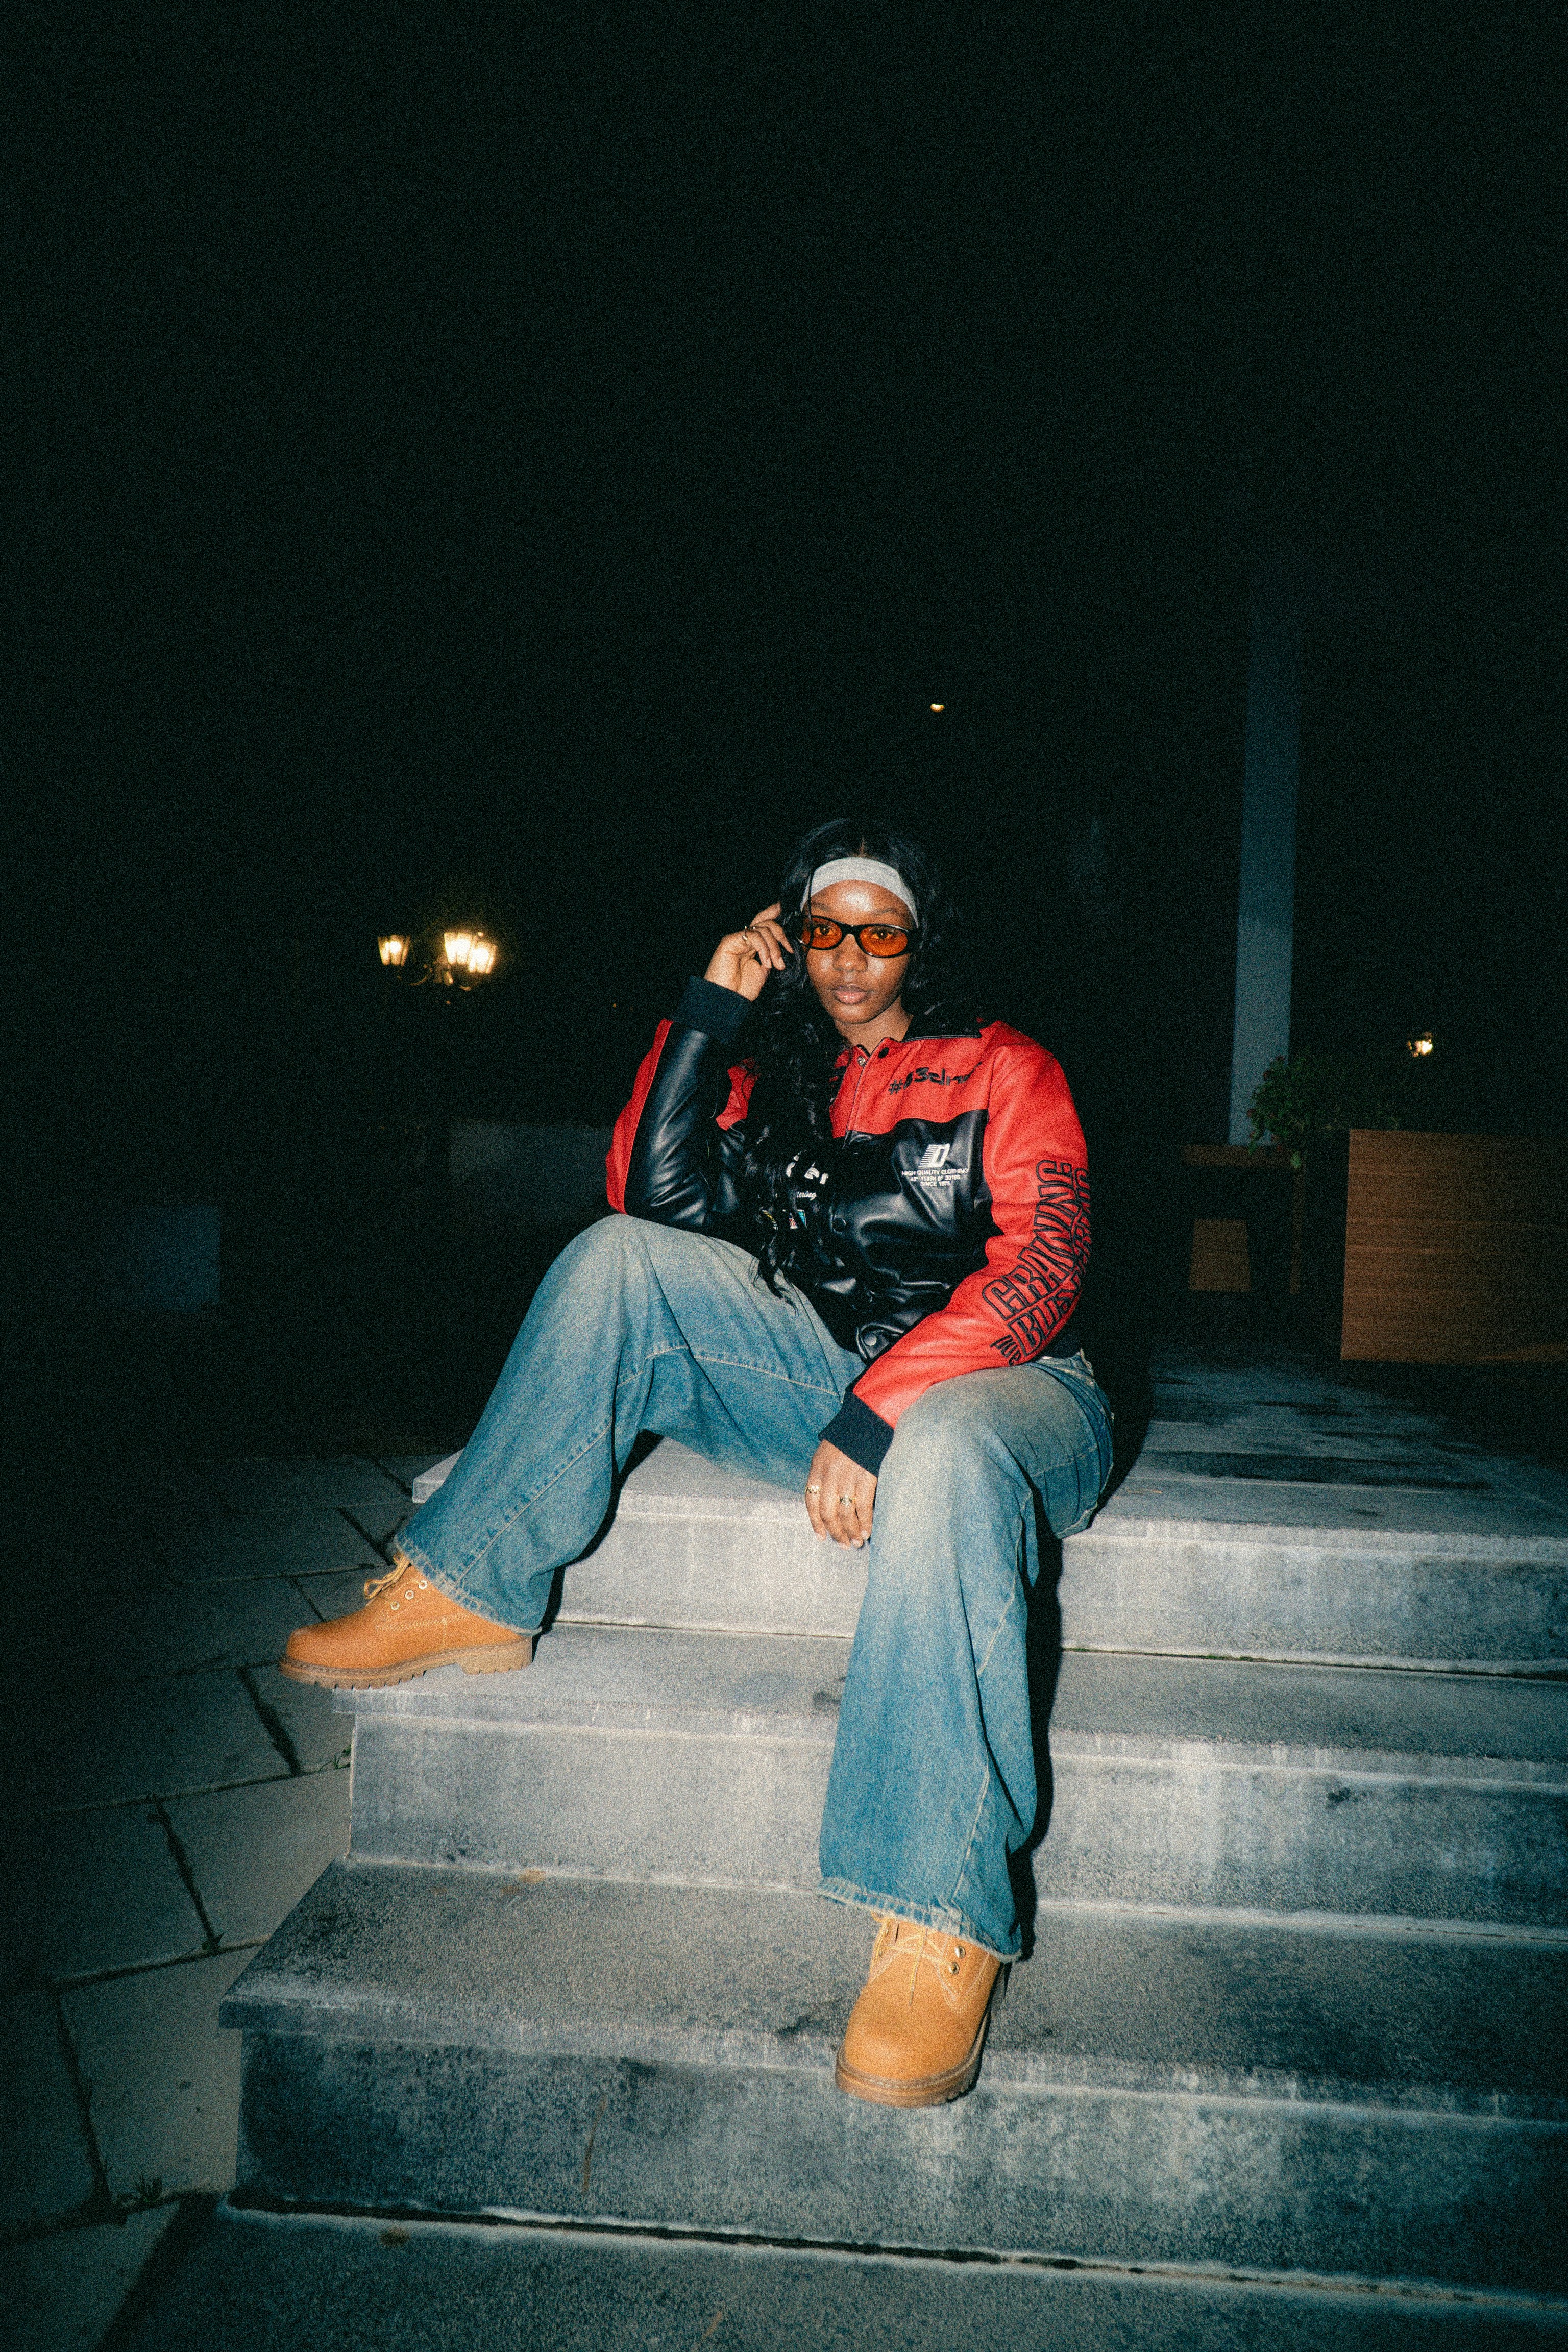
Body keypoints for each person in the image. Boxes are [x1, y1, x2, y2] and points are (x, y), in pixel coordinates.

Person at [280, 818, 1113, 2108]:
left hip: (1014, 1392)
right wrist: (710, 1017)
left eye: (877, 931)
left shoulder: (1006, 1068)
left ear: (917, 943)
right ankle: (469, 1588)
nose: (848, 957)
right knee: (616, 1262)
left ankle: (940, 1915)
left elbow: (1046, 1267)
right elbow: (645, 1193)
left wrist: (884, 1408)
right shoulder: (780, 1074)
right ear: (795, 937)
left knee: (946, 1442)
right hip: (831, 1379)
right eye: (823, 930)